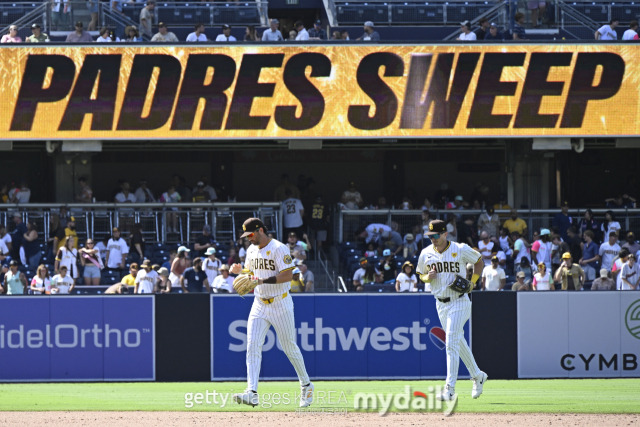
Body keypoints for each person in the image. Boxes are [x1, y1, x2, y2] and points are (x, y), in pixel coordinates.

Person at [230, 218, 313, 408]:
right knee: (252, 345)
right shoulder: (251, 250)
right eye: (246, 235)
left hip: (280, 302)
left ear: (260, 230)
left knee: (289, 347)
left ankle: (306, 385)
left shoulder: (279, 248)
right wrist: (240, 271)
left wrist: (259, 281)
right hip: (259, 303)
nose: (248, 238)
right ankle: (251, 392)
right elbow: (251, 275)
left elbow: (288, 275)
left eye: (250, 234)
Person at [416, 220, 487, 400]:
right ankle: (478, 376)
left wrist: (473, 282)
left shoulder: (460, 248)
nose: (432, 239)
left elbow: (479, 261)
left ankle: (449, 389)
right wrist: (427, 277)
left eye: (435, 235)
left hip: (459, 301)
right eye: (430, 236)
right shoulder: (426, 253)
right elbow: (420, 274)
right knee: (457, 341)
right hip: (440, 303)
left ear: (445, 234)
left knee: (450, 343)